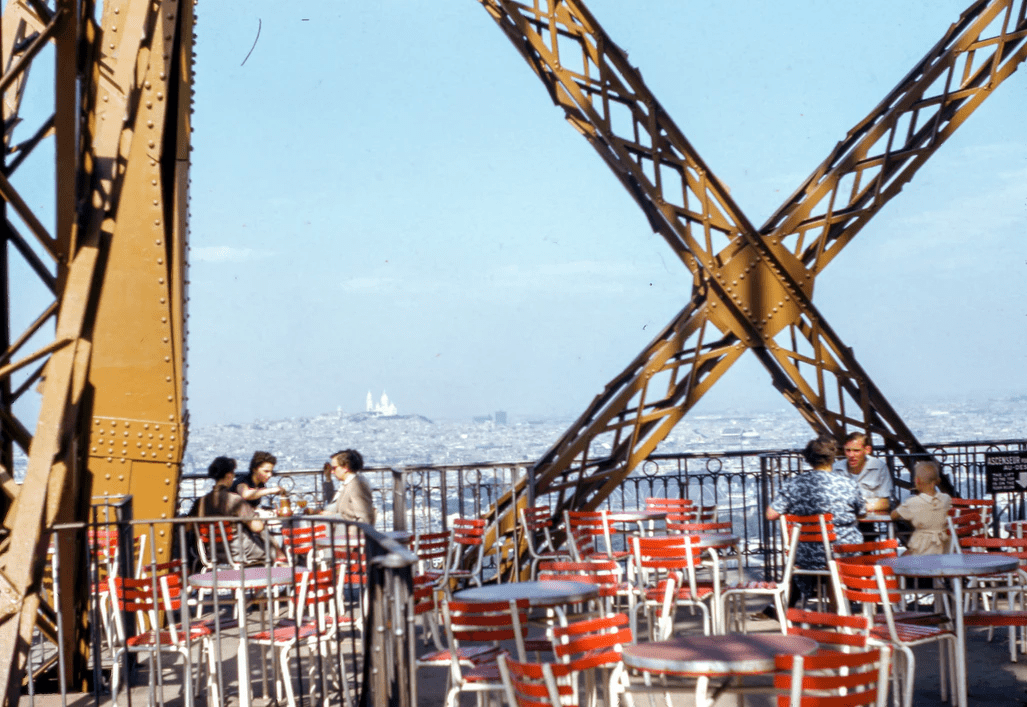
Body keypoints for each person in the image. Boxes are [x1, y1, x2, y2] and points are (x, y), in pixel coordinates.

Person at [767, 436, 865, 607]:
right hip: (845, 552)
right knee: (839, 560)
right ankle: (841, 613)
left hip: (808, 555)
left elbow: (771, 514)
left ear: (808, 459)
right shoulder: (848, 484)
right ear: (833, 458)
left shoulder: (794, 484)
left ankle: (789, 607)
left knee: (807, 559)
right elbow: (861, 513)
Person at [193, 456, 282, 565]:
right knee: (271, 550)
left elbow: (189, 526)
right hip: (239, 552)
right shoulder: (234, 500)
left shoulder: (200, 502)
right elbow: (257, 526)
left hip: (212, 553)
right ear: (229, 475)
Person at [891, 461, 951, 555]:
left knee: (902, 557)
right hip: (944, 548)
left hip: (923, 549)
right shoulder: (946, 499)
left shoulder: (912, 502)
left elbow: (893, 516)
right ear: (937, 480)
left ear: (917, 480)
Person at [833, 431, 894, 504]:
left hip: (871, 514)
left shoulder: (879, 467)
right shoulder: (836, 468)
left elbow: (885, 502)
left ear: (867, 450)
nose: (851, 455)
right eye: (848, 450)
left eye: (856, 451)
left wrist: (859, 509)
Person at [321, 449, 375, 524]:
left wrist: (333, 517)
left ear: (345, 468)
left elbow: (365, 518)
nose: (332, 471)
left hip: (349, 534)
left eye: (334, 468)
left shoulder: (357, 486)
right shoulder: (348, 484)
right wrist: (328, 479)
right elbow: (335, 503)